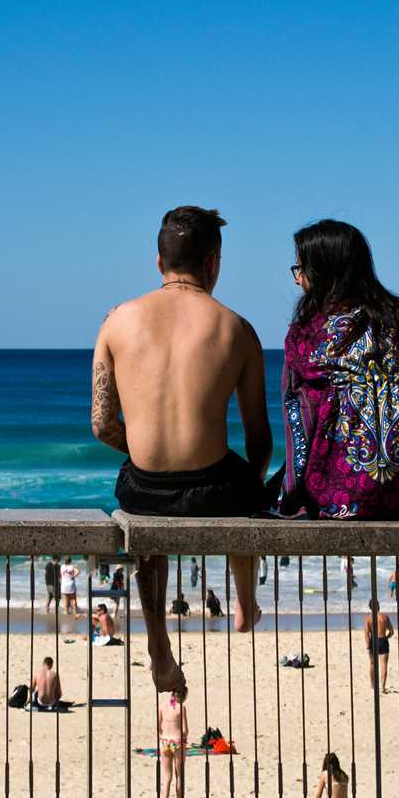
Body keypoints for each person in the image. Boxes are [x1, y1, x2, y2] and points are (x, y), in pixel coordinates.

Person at [93, 206, 272, 692]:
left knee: (148, 514)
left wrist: (145, 449)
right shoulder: (237, 329)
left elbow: (101, 423)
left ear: (158, 262)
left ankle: (158, 642)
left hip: (142, 489)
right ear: (213, 263)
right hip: (216, 488)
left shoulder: (116, 321)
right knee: (245, 480)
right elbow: (260, 440)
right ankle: (242, 598)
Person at [276, 219, 399, 520]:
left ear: (322, 272)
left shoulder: (309, 333)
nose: (296, 279)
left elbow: (300, 419)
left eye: (300, 269)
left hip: (338, 498)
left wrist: (291, 494)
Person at [158, 685, 189, 798]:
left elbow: (158, 727)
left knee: (166, 777)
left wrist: (163, 736)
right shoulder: (182, 708)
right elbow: (185, 730)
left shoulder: (162, 706)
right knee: (179, 776)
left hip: (165, 741)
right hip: (177, 742)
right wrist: (184, 739)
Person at [365, 601, 394, 693]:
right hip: (383, 640)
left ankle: (373, 685)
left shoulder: (368, 618)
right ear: (378, 606)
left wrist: (368, 647)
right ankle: (383, 687)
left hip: (374, 641)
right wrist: (386, 638)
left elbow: (366, 634)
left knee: (372, 664)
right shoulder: (385, 617)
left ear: (370, 608)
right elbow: (392, 632)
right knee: (384, 665)